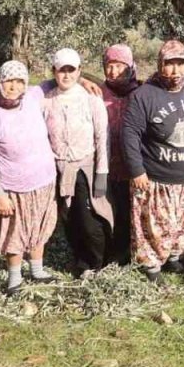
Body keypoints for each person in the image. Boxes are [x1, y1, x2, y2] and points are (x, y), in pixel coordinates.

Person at [0, 61, 60, 295]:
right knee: (15, 232)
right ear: (0, 82)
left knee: (39, 226)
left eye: (19, 81)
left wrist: (86, 82)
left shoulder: (32, 97)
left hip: (43, 180)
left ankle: (37, 269)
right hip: (12, 188)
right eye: (8, 81)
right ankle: (14, 278)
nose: (14, 87)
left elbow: (59, 78)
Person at [123, 40, 184, 282]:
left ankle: (173, 257)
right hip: (156, 179)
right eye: (170, 65)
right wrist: (137, 170)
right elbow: (129, 134)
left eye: (181, 64)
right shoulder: (144, 95)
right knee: (153, 227)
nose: (176, 71)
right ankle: (152, 266)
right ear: (160, 65)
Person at [41, 48, 113, 278]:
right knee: (68, 218)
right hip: (58, 169)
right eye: (62, 70)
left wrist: (102, 172)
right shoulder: (47, 101)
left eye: (72, 70)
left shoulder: (91, 99)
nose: (66, 75)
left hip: (85, 167)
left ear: (79, 70)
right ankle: (80, 261)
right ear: (54, 71)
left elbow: (103, 137)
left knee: (89, 218)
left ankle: (96, 262)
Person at [100, 44, 141, 265]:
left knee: (131, 211)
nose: (114, 71)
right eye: (109, 65)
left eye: (119, 66)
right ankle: (112, 252)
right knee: (110, 209)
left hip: (133, 165)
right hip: (106, 164)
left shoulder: (140, 91)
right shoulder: (97, 92)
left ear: (130, 67)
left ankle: (131, 252)